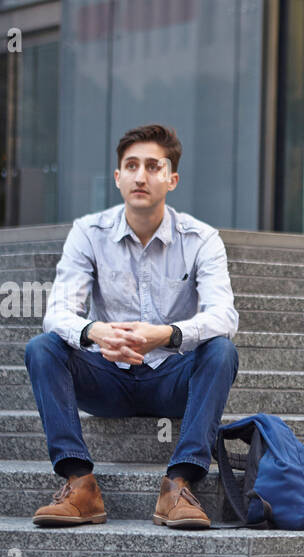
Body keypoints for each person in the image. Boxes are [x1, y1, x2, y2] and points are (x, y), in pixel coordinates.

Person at [24, 124, 240, 530]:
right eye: (131, 166)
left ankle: (179, 484)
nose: (141, 176)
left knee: (221, 349)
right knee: (43, 347)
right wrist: (95, 332)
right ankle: (79, 483)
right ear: (117, 177)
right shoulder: (88, 233)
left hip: (172, 380)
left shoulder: (201, 239)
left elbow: (224, 316)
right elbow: (57, 312)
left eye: (154, 167)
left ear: (172, 179)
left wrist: (168, 335)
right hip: (108, 378)